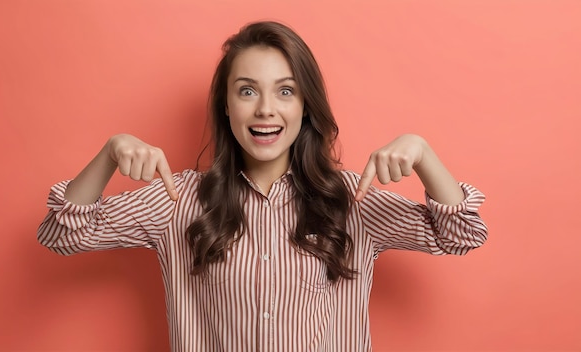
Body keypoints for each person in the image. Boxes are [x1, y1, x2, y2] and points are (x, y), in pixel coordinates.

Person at [37, 20, 488, 351]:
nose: (266, 109)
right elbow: (61, 234)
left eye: (286, 91)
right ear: (226, 106)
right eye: (248, 91)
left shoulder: (352, 199)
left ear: (306, 107)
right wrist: (110, 153)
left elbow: (462, 234)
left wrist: (423, 153)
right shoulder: (178, 199)